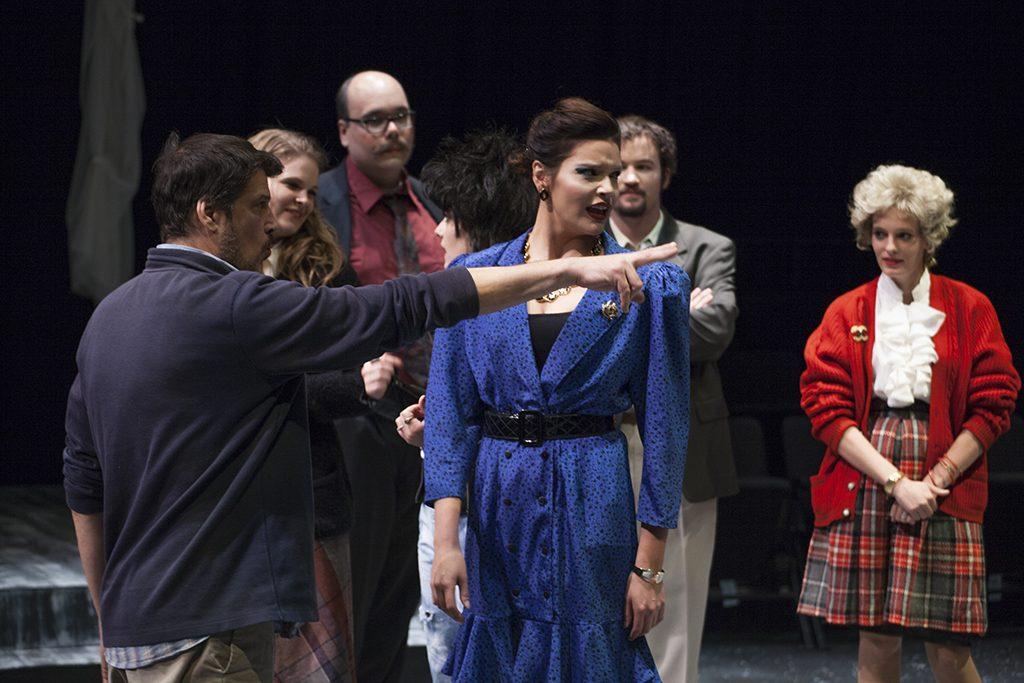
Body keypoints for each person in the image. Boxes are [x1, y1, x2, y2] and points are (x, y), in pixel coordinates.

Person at [63, 131, 678, 682]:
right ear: (208, 213)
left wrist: (107, 613)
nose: (271, 224)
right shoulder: (235, 305)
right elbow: (396, 307)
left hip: (134, 633)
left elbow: (83, 484)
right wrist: (562, 272)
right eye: (256, 207)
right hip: (210, 629)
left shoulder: (107, 318)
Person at [425, 98, 692, 681]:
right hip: (498, 505)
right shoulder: (480, 277)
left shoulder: (653, 283)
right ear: (541, 176)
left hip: (592, 492)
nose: (608, 190)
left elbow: (666, 431)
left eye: (614, 174)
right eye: (588, 173)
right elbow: (450, 415)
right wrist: (448, 542)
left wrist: (649, 568)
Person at [797, 165, 1020, 683]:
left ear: (929, 237)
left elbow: (994, 403)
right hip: (869, 477)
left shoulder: (969, 307)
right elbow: (825, 406)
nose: (889, 246)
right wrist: (895, 483)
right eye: (879, 234)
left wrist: (935, 480)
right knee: (876, 642)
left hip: (947, 480)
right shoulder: (846, 310)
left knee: (949, 647)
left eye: (904, 235)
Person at [393, 128, 537, 681]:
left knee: (465, 664)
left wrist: (445, 440)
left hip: (493, 514)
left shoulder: (495, 306)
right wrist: (435, 435)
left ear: (476, 227)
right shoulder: (462, 303)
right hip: (457, 511)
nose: (437, 229)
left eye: (449, 215)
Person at [316, 70, 444, 681]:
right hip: (358, 419)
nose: (393, 129)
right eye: (375, 119)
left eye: (402, 115)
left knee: (403, 593)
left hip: (431, 418)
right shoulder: (317, 204)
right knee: (358, 589)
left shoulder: (432, 202)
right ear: (343, 131)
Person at [610, 114, 739, 683]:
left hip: (684, 444)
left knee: (677, 600)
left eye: (644, 166)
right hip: (600, 439)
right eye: (620, 168)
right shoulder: (581, 248)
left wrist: (619, 319)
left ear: (666, 175)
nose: (630, 178)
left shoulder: (707, 247)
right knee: (601, 591)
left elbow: (714, 333)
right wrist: (672, 312)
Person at [248, 127, 359, 682]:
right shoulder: (219, 268)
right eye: (292, 184)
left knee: (320, 671)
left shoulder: (327, 267)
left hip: (313, 491)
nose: (303, 201)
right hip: (235, 504)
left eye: (313, 192)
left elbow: (351, 384)